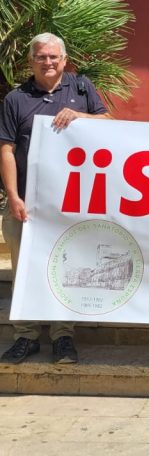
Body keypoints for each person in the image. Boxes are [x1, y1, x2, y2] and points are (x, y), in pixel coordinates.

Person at [0, 33, 109, 364]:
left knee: (68, 267)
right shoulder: (16, 99)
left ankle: (63, 336)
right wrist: (13, 196)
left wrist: (81, 116)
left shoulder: (80, 89)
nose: (48, 62)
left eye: (54, 57)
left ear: (64, 60)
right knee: (24, 269)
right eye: (41, 57)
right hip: (26, 202)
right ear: (31, 62)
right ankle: (26, 335)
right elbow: (6, 148)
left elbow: (109, 123)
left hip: (68, 201)